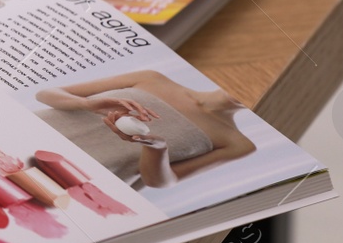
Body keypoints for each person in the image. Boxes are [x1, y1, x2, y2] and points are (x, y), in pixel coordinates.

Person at [33, 68, 256, 189]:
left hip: (70, 176)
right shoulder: (153, 78)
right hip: (28, 134)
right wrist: (87, 103)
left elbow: (159, 182)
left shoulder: (236, 143)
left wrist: (157, 149)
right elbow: (45, 94)